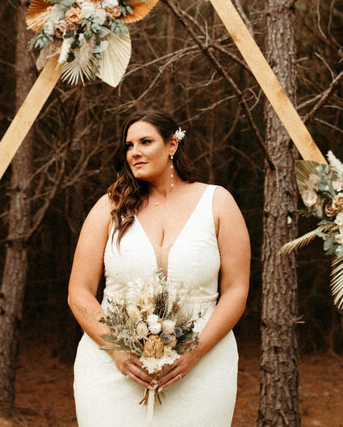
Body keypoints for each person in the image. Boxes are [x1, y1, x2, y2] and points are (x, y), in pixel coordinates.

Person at [68, 110, 251, 427]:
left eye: (145, 142)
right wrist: (118, 353)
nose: (134, 152)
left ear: (172, 145)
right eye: (129, 145)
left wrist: (194, 353)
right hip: (112, 366)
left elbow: (236, 289)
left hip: (202, 365)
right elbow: (79, 292)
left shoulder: (217, 202)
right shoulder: (109, 207)